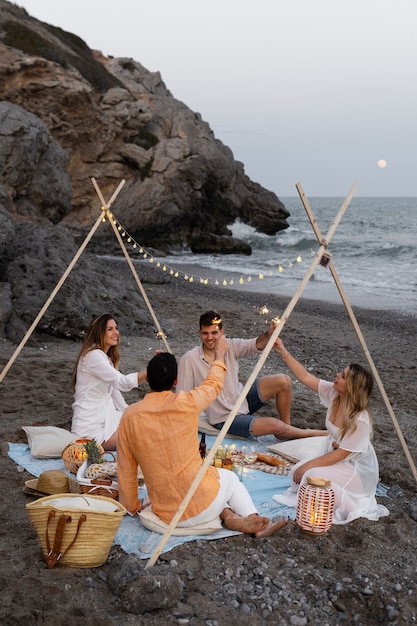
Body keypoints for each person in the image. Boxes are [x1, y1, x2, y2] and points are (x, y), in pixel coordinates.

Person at [118, 339, 286, 537]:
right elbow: (213, 384)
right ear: (175, 382)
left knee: (209, 478)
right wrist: (220, 356)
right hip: (201, 503)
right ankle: (255, 519)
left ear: (147, 380)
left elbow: (126, 469)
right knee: (228, 478)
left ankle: (230, 517)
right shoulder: (187, 402)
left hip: (166, 513)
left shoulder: (129, 416)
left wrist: (132, 506)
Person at [273, 337, 389, 524]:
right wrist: (282, 351)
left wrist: (309, 465)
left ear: (351, 388)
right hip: (336, 456)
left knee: (309, 475)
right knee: (296, 473)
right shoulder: (335, 394)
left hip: (356, 469)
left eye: (343, 376)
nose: (337, 375)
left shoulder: (360, 418)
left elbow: (342, 454)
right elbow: (305, 377)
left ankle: (352, 508)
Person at [176, 310, 326, 440]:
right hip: (223, 417)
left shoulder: (230, 345)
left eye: (214, 333)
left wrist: (269, 334)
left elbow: (257, 344)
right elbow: (182, 398)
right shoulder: (190, 359)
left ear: (222, 332)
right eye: (205, 333)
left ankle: (286, 429)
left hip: (241, 400)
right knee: (274, 425)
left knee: (283, 380)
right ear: (199, 333)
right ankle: (310, 433)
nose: (210, 338)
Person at [71, 313, 147, 450]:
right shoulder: (93, 356)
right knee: (140, 438)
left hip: (105, 417)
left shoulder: (106, 359)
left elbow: (115, 394)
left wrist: (132, 414)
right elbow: (120, 382)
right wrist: (148, 372)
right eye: (110, 329)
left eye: (116, 328)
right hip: (89, 428)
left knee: (143, 423)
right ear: (99, 332)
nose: (116, 332)